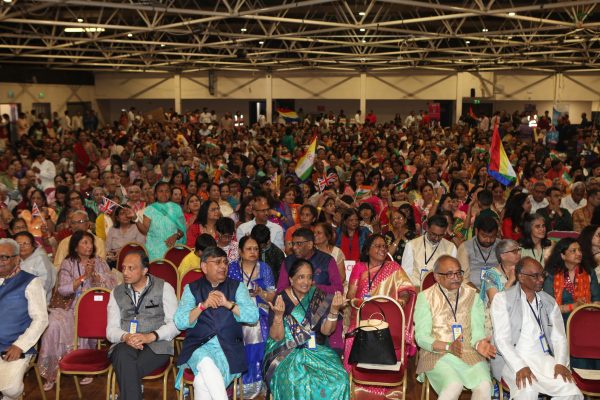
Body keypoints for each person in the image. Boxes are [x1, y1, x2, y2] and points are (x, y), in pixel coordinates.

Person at [491, 257, 584, 400]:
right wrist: (520, 366)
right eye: (535, 276)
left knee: (570, 390)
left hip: (543, 358)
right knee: (528, 389)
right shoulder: (502, 299)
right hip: (512, 359)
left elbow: (559, 337)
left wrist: (560, 363)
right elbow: (501, 340)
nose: (541, 279)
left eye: (542, 275)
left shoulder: (549, 302)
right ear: (521, 277)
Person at [174, 246, 259, 399]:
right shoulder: (192, 289)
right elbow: (180, 322)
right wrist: (202, 306)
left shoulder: (237, 287)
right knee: (206, 363)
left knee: (201, 381)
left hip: (228, 349)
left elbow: (253, 316)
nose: (223, 266)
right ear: (204, 266)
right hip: (198, 346)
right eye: (218, 262)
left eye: (225, 262)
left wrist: (228, 304)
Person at [39, 230, 117, 391]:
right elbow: (63, 289)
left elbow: (111, 284)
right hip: (69, 305)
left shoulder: (99, 261)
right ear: (75, 247)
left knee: (85, 319)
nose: (89, 246)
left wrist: (94, 275)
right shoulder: (68, 263)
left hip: (93, 306)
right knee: (52, 325)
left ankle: (86, 367)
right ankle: (52, 372)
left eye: (90, 242)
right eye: (84, 243)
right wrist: (83, 277)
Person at [263, 259, 349, 400]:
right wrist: (278, 316)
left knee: (340, 378)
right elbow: (277, 337)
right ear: (291, 279)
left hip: (314, 350)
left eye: (309, 277)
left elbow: (327, 331)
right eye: (301, 277)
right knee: (296, 382)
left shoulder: (318, 297)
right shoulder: (280, 299)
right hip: (285, 352)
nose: (306, 282)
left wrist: (334, 310)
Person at [343, 234, 415, 399]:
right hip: (362, 319)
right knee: (351, 338)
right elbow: (350, 295)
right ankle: (356, 387)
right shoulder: (359, 267)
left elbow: (406, 290)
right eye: (377, 246)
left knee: (396, 336)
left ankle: (386, 389)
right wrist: (362, 302)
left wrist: (402, 301)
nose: (382, 249)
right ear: (367, 250)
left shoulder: (394, 268)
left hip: (388, 321)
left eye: (384, 246)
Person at [414, 255, 496, 400]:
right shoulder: (425, 297)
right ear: (437, 277)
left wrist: (479, 343)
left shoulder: (473, 296)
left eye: (459, 273)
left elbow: (477, 330)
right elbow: (421, 337)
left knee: (484, 385)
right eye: (450, 274)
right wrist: (448, 346)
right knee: (453, 385)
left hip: (469, 351)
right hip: (437, 353)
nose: (456, 278)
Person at [107, 249, 180, 400]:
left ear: (145, 270)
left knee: (126, 368)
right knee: (122, 355)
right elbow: (111, 330)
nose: (125, 272)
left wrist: (150, 337)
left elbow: (175, 324)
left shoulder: (164, 288)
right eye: (123, 268)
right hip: (126, 343)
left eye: (131, 268)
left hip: (157, 344)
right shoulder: (116, 292)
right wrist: (126, 336)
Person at [276, 227, 344, 351]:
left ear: (310, 244)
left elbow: (338, 289)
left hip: (322, 310)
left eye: (299, 244)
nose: (294, 247)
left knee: (334, 349)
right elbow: (281, 289)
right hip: (294, 312)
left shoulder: (327, 260)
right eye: (293, 243)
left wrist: (314, 289)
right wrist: (300, 290)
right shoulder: (288, 261)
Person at [227, 236, 276, 398]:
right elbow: (226, 293)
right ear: (240, 252)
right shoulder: (232, 268)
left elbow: (272, 296)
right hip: (237, 310)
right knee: (245, 326)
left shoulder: (265, 268)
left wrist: (260, 293)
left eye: (256, 249)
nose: (253, 252)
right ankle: (242, 382)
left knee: (257, 326)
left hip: (261, 309)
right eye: (249, 249)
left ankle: (258, 381)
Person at [0, 238, 49, 400]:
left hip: (13, 348)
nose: (0, 261)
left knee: (10, 389)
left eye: (4, 257)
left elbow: (41, 319)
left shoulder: (30, 282)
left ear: (16, 259)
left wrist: (20, 345)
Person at [402, 214, 458, 287]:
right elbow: (405, 274)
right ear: (427, 228)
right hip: (416, 288)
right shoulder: (412, 245)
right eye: (433, 234)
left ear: (445, 232)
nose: (436, 238)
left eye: (440, 235)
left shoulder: (451, 247)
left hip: (440, 289)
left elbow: (452, 274)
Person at [135, 182, 187, 260]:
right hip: (153, 251)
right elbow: (145, 230)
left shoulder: (176, 208)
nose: (164, 194)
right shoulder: (149, 209)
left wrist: (176, 236)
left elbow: (182, 229)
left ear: (170, 194)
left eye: (167, 191)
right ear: (155, 194)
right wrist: (135, 218)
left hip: (172, 249)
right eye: (161, 191)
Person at [457, 215, 499, 290]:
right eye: (484, 236)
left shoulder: (501, 246)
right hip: (472, 290)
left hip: (497, 289)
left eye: (492, 237)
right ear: (476, 232)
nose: (488, 240)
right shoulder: (465, 247)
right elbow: (462, 277)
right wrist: (478, 293)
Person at [14, 231, 56, 303]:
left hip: (37, 300)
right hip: (15, 299)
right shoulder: (12, 259)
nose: (22, 246)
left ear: (33, 245)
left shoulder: (41, 259)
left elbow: (46, 283)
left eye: (26, 243)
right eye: (18, 244)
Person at [480, 239, 520, 306]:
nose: (519, 253)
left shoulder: (523, 270)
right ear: (503, 256)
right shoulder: (489, 275)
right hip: (497, 311)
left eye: (519, 250)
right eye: (515, 251)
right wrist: (510, 281)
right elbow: (494, 302)